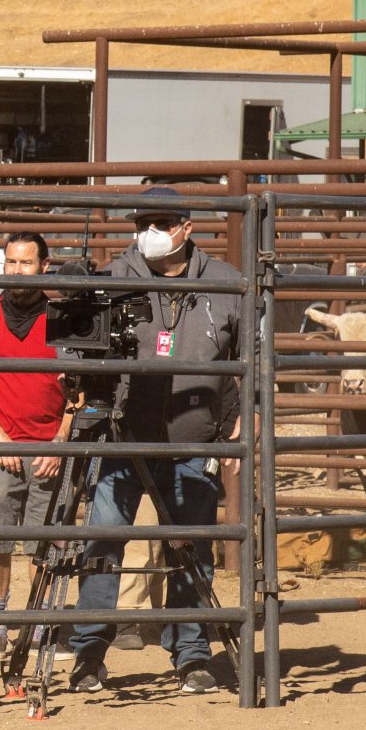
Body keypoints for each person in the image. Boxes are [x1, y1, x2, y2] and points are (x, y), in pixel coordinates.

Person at [66, 187, 244, 697]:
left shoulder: (226, 283)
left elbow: (252, 356)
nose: (150, 231)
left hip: (194, 438)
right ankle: (88, 653)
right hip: (122, 435)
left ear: (187, 227)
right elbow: (82, 349)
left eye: (162, 221)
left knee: (191, 546)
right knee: (102, 542)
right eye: (143, 221)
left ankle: (191, 654)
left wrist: (242, 417)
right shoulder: (114, 279)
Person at [0, 232, 73, 660]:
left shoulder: (64, 318)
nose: (16, 271)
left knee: (47, 542)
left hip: (49, 448)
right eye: (10, 262)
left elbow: (78, 391)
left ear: (44, 266)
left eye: (25, 263)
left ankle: (40, 625)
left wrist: (60, 441)